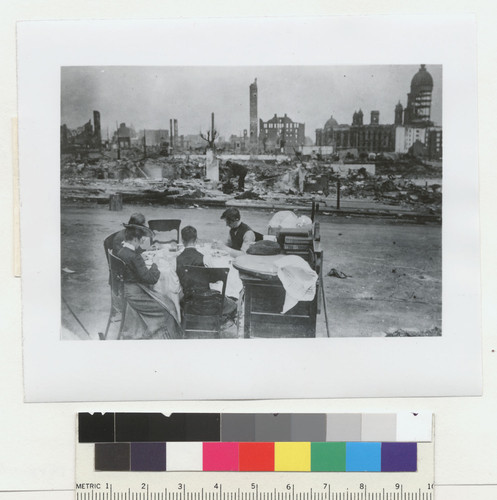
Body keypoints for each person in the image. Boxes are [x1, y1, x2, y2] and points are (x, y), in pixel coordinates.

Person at [117, 225, 182, 339]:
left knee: (166, 302)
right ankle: (155, 336)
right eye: (141, 240)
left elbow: (133, 263)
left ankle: (153, 332)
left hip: (126, 289)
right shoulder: (134, 257)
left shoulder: (122, 251)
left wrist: (142, 255)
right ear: (135, 239)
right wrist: (155, 263)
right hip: (135, 294)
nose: (142, 242)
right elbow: (151, 279)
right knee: (169, 307)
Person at [176, 225, 237, 319]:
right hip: (208, 301)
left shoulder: (178, 259)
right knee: (233, 303)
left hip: (189, 302)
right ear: (196, 240)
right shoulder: (204, 258)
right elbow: (216, 280)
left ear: (182, 240)